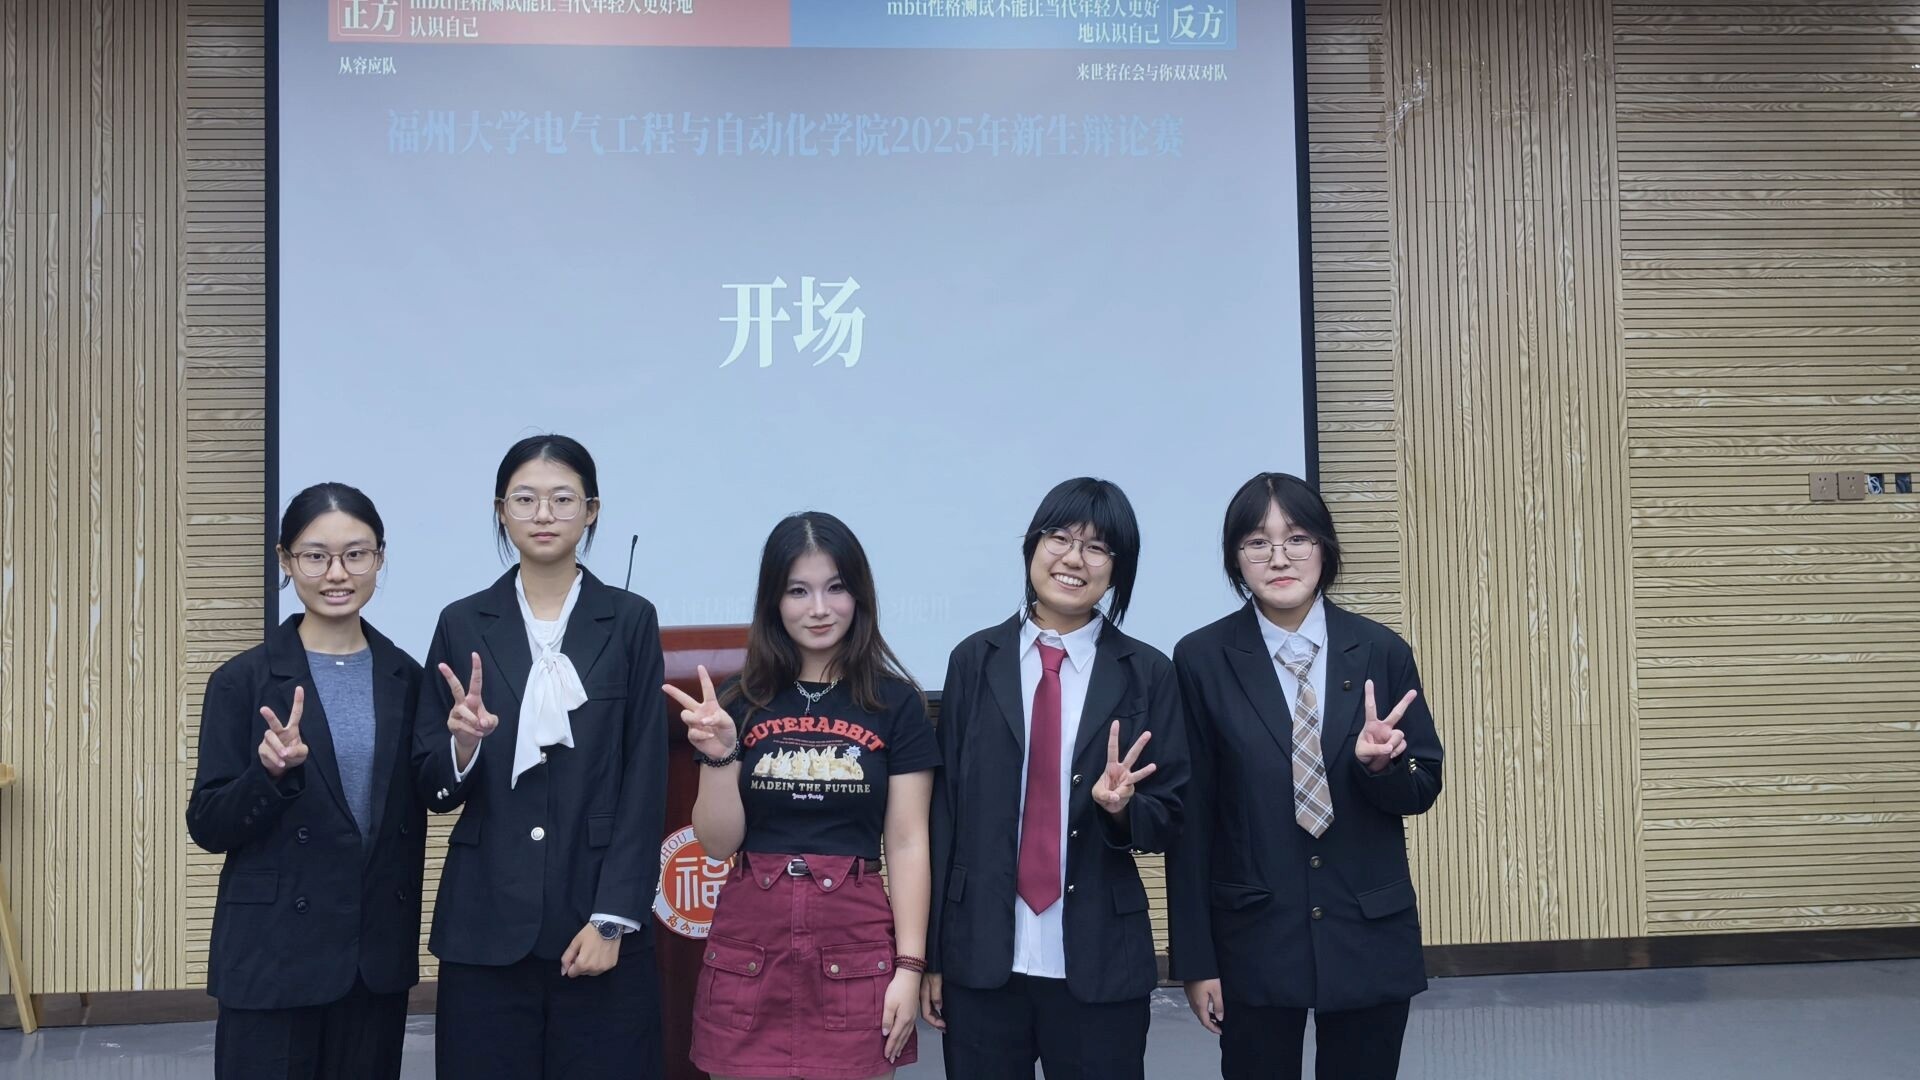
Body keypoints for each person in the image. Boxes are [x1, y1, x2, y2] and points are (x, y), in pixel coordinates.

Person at [1169, 471, 1444, 1080]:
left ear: (1324, 547)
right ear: (1234, 558)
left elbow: (1423, 784)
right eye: (1257, 542)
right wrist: (1196, 960)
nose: (1279, 558)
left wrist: (1382, 768)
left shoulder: (1380, 650)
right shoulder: (1200, 659)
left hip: (1367, 927)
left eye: (1297, 538)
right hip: (1252, 935)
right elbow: (1193, 819)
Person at [413, 434, 668, 1079]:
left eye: (563, 499)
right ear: (501, 511)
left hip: (595, 917)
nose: (544, 514)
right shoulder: (462, 622)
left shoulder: (630, 620)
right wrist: (463, 745)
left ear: (592, 510)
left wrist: (612, 919)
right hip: (486, 921)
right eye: (525, 499)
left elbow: (644, 778)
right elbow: (429, 784)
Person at [922, 477, 1189, 1080]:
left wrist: (1121, 809)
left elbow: (1170, 817)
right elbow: (946, 814)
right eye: (1059, 538)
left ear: (1118, 569)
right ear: (1032, 547)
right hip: (983, 958)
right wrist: (934, 954)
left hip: (1100, 960)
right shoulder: (973, 661)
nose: (1073, 558)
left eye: (1096, 547)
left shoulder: (1148, 673)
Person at [668, 511, 937, 1080]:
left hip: (855, 948)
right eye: (798, 591)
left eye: (835, 588)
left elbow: (909, 842)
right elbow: (717, 845)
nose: (819, 608)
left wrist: (910, 966)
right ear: (774, 601)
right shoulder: (739, 702)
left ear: (859, 595)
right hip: (750, 947)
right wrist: (720, 755)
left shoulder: (897, 704)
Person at [188, 483, 425, 1079]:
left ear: (380, 558)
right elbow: (208, 824)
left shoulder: (408, 678)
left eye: (356, 554)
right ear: (286, 560)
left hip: (373, 956)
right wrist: (267, 774)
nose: (337, 574)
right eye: (315, 556)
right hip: (272, 955)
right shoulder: (241, 680)